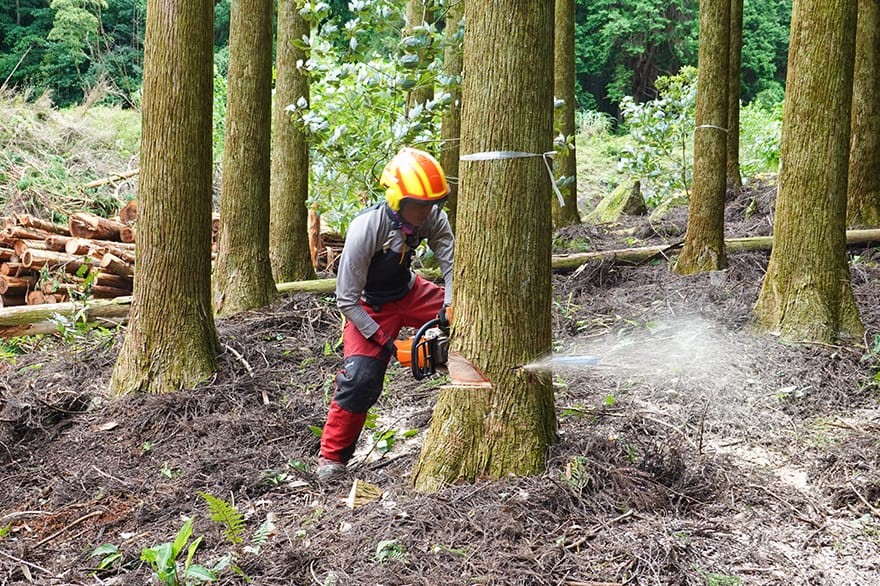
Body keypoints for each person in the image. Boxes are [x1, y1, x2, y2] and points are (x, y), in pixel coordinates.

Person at [316, 147, 455, 480]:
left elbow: (450, 260)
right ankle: (332, 458)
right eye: (420, 205)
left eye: (431, 204)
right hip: (368, 306)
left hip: (410, 291)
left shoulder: (433, 217)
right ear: (398, 200)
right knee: (361, 378)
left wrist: (451, 305)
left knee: (470, 320)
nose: (427, 211)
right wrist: (388, 343)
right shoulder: (367, 229)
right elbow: (346, 300)